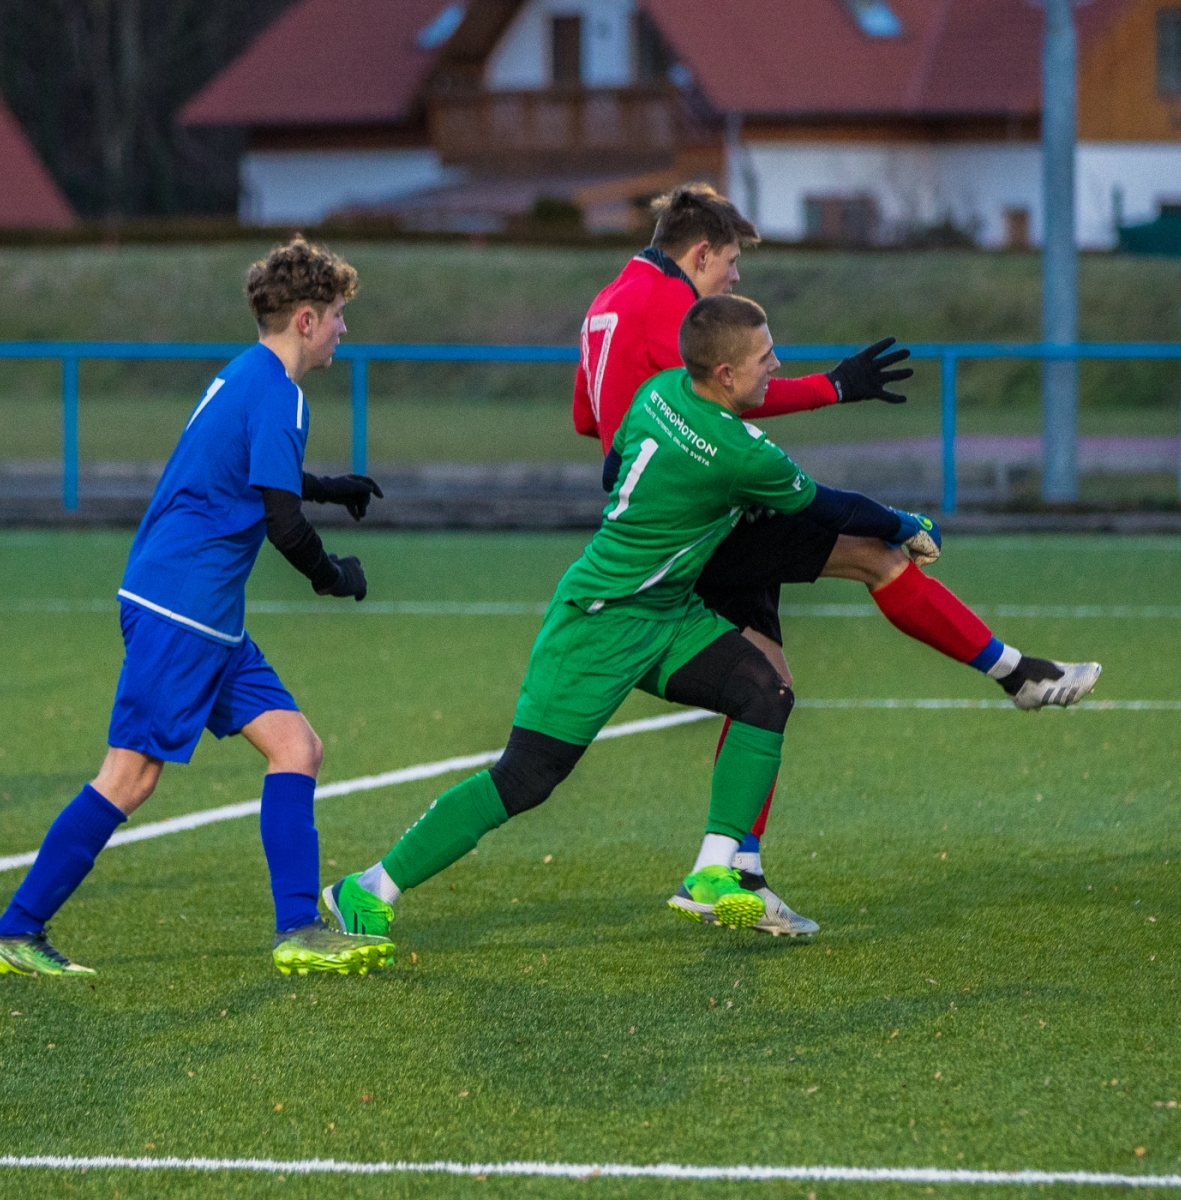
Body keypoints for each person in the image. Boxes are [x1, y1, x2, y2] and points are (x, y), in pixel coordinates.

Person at [325, 294, 950, 939]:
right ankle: (367, 887)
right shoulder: (740, 452)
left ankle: (712, 871)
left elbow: (614, 463)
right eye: (765, 357)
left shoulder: (660, 390)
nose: (777, 365)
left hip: (668, 614)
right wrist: (907, 523)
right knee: (525, 777)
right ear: (726, 375)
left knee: (766, 692)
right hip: (600, 622)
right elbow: (831, 508)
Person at [575, 184, 1101, 934]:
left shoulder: (607, 300)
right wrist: (834, 387)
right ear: (699, 252)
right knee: (874, 556)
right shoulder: (666, 301)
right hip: (700, 512)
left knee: (770, 683)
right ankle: (1017, 674)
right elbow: (728, 391)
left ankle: (737, 870)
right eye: (730, 263)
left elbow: (587, 416)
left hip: (677, 505)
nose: (734, 278)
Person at [0, 238, 395, 977]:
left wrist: (331, 488)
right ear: (305, 319)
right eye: (337, 314)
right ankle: (15, 931)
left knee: (296, 747)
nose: (343, 329)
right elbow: (282, 523)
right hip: (182, 611)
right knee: (128, 777)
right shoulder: (279, 393)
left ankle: (299, 929)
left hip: (204, 615)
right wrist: (333, 576)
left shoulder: (248, 374)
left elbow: (250, 470)